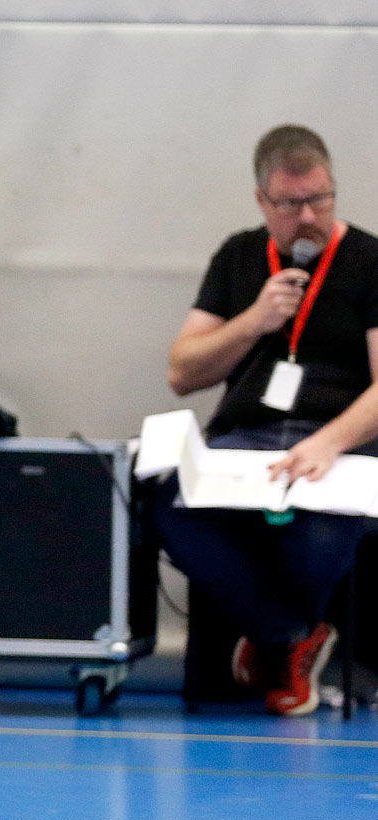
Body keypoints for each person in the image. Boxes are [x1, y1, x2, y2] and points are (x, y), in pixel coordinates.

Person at [157, 124, 378, 716]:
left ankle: (277, 638)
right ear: (263, 201)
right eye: (291, 204)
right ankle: (290, 634)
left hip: (340, 440)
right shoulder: (238, 256)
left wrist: (331, 443)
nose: (308, 217)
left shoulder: (367, 259)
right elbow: (183, 370)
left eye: (321, 200)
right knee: (164, 502)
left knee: (320, 531)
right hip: (245, 439)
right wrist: (254, 320)